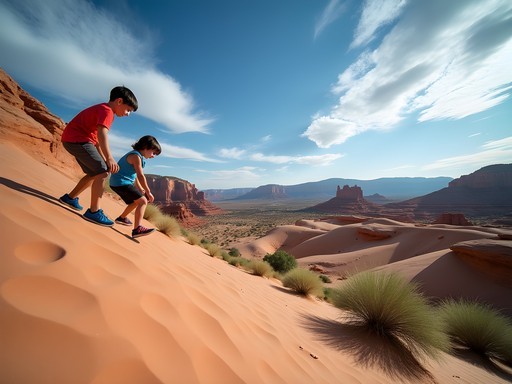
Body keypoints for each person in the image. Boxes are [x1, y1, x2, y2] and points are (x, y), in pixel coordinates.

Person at [59, 86, 138, 226]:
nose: (128, 114)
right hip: (77, 139)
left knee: (94, 173)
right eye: (128, 110)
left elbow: (96, 141)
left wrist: (104, 159)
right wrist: (109, 158)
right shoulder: (107, 111)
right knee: (102, 172)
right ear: (119, 101)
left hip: (74, 139)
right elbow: (102, 135)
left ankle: (69, 198)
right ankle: (94, 212)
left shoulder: (102, 109)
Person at [109, 135, 161, 238]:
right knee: (143, 201)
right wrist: (148, 191)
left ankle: (122, 218)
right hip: (121, 182)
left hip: (117, 182)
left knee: (135, 202)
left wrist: (140, 187)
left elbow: (135, 175)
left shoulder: (138, 156)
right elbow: (141, 176)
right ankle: (137, 229)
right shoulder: (136, 156)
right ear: (145, 147)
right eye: (153, 152)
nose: (153, 156)